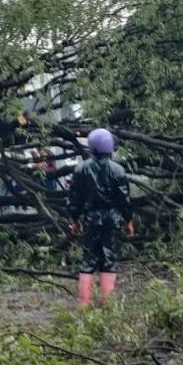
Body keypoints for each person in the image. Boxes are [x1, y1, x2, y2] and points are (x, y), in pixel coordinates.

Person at [68, 128, 134, 307]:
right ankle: (107, 303)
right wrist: (128, 221)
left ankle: (84, 304)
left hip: (91, 219)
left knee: (88, 260)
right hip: (112, 218)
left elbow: (75, 199)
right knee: (109, 258)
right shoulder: (118, 170)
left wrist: (75, 220)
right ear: (110, 147)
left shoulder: (81, 169)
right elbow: (124, 200)